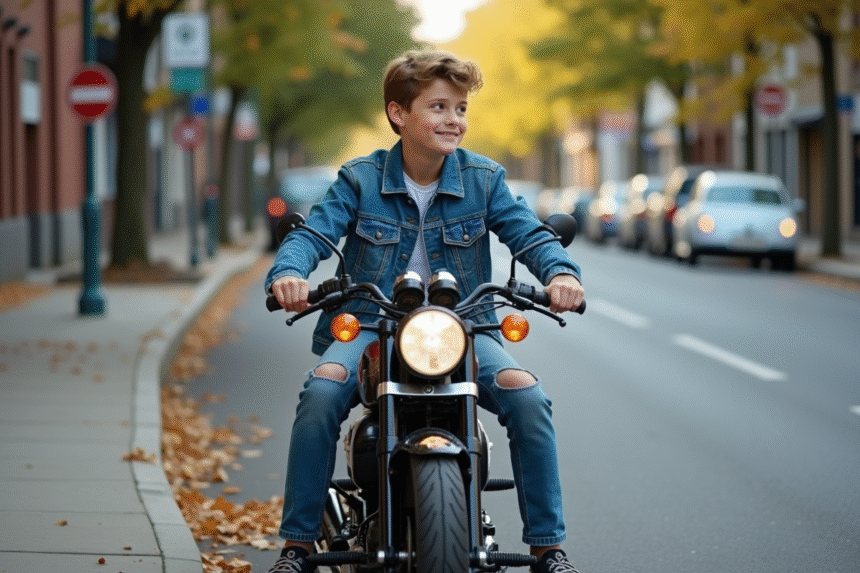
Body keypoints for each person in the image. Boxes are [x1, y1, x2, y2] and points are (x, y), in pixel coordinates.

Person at [265, 50, 585, 573]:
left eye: (460, 108)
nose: (453, 119)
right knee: (321, 391)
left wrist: (561, 274)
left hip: (462, 326)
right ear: (399, 114)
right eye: (438, 107)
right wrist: (288, 275)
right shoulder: (360, 179)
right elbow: (314, 234)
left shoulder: (484, 179)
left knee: (529, 399)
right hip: (373, 325)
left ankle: (548, 547)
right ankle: (297, 545)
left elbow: (528, 234)